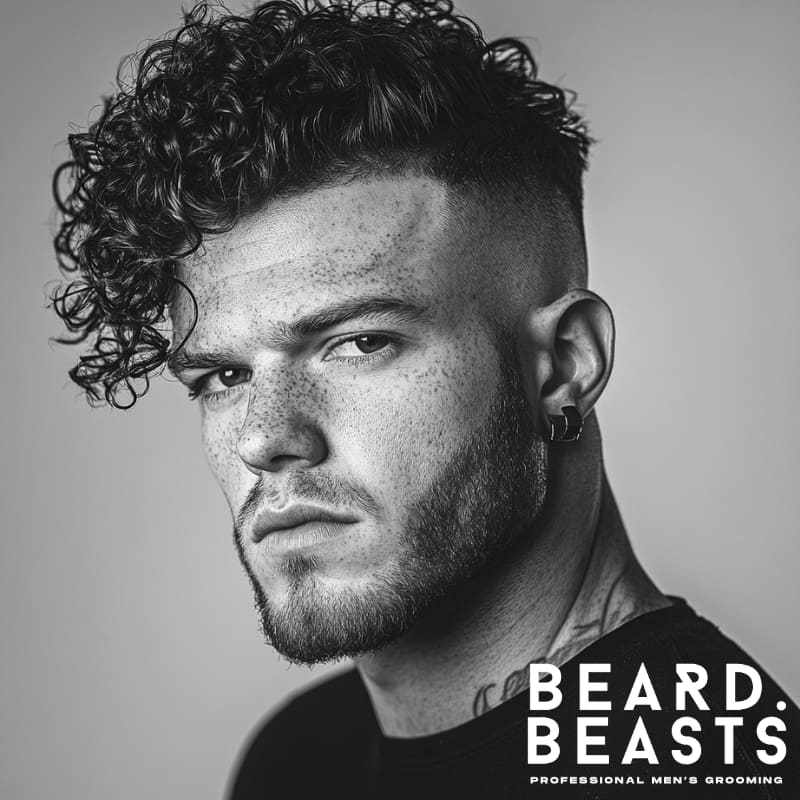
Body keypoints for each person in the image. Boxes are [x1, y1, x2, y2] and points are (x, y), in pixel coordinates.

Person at [51, 1, 798, 797]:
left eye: (360, 342)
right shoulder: (299, 757)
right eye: (224, 377)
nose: (264, 439)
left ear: (564, 367)